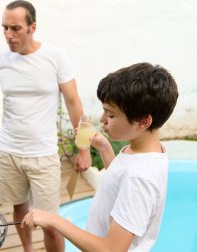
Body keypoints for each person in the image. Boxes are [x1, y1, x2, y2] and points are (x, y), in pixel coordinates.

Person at [0, 1, 91, 251]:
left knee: (51, 224)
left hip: (43, 155)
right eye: (4, 28)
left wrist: (83, 148)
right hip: (8, 151)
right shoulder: (1, 57)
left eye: (15, 28)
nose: (8, 35)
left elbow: (74, 103)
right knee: (19, 209)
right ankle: (28, 250)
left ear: (32, 27)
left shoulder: (55, 56)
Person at [22, 62, 179, 251]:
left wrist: (54, 220)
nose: (102, 119)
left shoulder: (140, 178)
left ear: (144, 121)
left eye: (111, 115)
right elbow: (120, 181)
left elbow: (111, 249)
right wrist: (105, 149)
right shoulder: (143, 150)